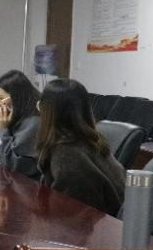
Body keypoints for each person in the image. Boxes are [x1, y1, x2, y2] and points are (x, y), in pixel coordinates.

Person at [37, 79, 126, 216]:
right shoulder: (90, 139)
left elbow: (70, 218)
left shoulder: (67, 157)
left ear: (47, 113)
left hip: (101, 225)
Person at [0, 69, 41, 178]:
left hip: (27, 185)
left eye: (1, 98)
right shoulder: (18, 119)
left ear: (16, 97)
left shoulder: (34, 123)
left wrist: (2, 130)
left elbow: (13, 165)